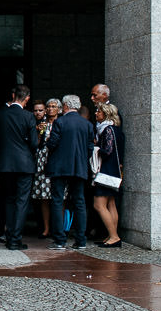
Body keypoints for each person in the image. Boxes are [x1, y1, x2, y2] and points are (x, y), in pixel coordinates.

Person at [0, 84, 38, 251]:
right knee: (21, 201)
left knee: (8, 200)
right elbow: (34, 143)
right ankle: (15, 239)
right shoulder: (29, 116)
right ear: (27, 98)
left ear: (13, 95)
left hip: (6, 164)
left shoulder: (0, 115)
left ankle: (9, 238)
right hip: (25, 164)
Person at [46, 94, 94, 250]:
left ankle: (60, 240)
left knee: (57, 201)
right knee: (80, 202)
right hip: (79, 167)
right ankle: (81, 240)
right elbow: (90, 148)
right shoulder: (86, 124)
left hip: (59, 167)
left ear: (65, 106)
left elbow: (52, 144)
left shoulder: (60, 122)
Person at [92, 102, 123, 248]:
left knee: (98, 205)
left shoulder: (107, 129)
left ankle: (114, 236)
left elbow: (107, 151)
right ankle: (112, 235)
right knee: (111, 204)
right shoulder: (117, 129)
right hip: (114, 171)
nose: (96, 113)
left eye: (99, 111)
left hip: (106, 171)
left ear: (106, 113)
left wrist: (96, 147)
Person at [31, 99, 57, 238]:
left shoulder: (57, 123)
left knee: (55, 197)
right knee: (42, 196)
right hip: (40, 162)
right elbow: (35, 144)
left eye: (41, 110)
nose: (38, 113)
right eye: (36, 110)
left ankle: (56, 227)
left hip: (53, 161)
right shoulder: (36, 123)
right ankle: (45, 227)